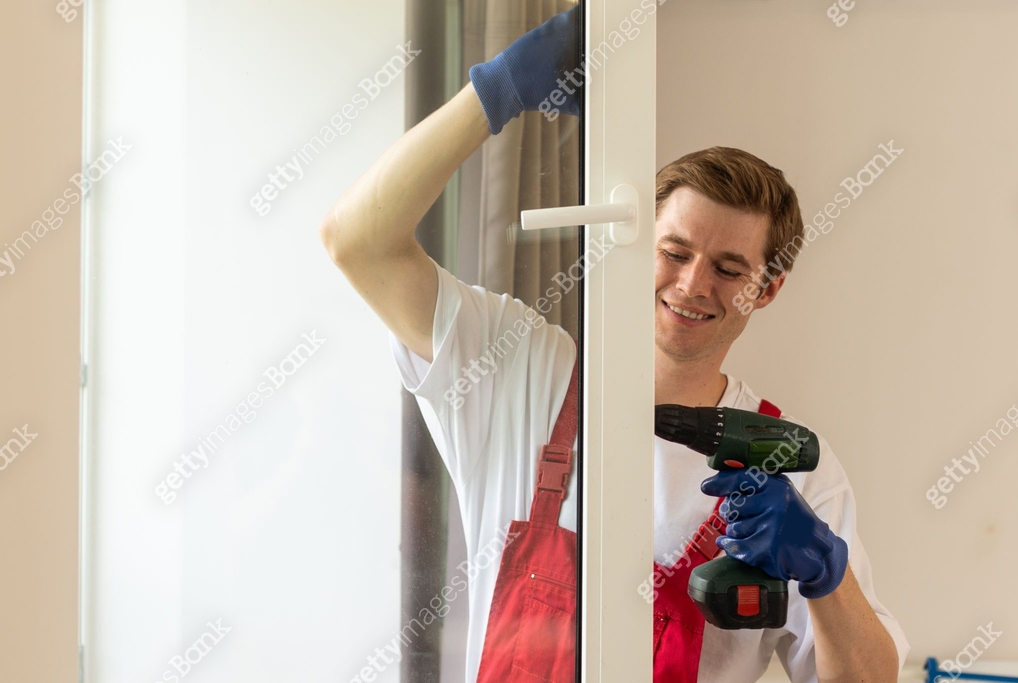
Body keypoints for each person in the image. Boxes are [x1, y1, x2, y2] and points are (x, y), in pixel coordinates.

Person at [319, 6, 909, 682]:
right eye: (674, 251)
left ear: (766, 290)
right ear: (636, 249)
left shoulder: (793, 468)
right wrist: (498, 90)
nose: (692, 285)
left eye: (728, 268)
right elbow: (356, 240)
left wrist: (824, 572)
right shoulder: (519, 370)